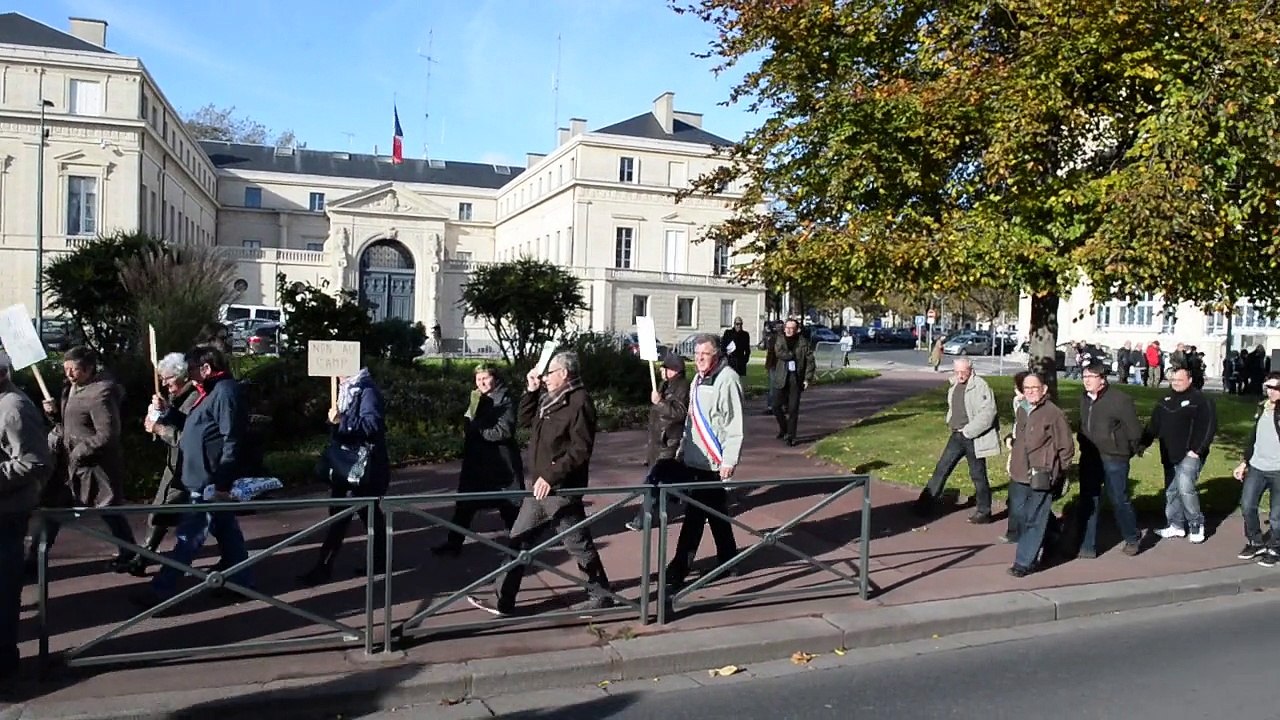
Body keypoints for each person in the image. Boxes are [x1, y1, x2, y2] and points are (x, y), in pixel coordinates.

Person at [467, 352, 613, 617]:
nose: (545, 378)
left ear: (564, 374)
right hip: (541, 486)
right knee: (518, 540)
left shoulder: (579, 401)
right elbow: (525, 421)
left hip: (561, 487)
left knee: (577, 544)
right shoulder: (550, 398)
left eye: (549, 373)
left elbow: (580, 450)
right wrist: (531, 391)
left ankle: (600, 595)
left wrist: (553, 475)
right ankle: (504, 601)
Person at [133, 346, 252, 606]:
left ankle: (161, 591)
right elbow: (194, 426)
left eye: (193, 370)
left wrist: (222, 481)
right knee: (228, 533)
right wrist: (169, 412)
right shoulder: (210, 392)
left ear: (206, 369)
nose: (190, 376)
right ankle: (242, 581)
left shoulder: (224, 392)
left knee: (188, 539)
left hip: (209, 481)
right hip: (202, 477)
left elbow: (231, 438)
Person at [29, 346, 136, 573]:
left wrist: (80, 451)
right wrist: (53, 414)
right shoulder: (70, 389)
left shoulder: (101, 394)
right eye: (66, 369)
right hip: (66, 465)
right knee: (52, 508)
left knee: (108, 510)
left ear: (88, 369)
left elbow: (107, 434)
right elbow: (68, 425)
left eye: (73, 369)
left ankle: (130, 554)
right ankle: (35, 559)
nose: (68, 374)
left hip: (93, 467)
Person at [665, 335, 744, 592]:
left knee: (695, 516)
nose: (699, 358)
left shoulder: (727, 378)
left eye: (705, 353)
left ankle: (679, 568)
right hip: (694, 459)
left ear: (717, 355)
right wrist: (683, 449)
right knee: (716, 512)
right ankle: (729, 559)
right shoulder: (699, 378)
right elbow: (692, 419)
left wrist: (729, 460)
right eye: (697, 353)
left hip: (713, 460)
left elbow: (734, 424)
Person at [298, 366, 390, 585]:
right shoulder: (347, 389)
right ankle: (378, 561)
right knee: (368, 515)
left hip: (360, 467)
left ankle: (324, 567)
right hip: (349, 466)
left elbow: (372, 424)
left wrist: (342, 421)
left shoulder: (366, 390)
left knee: (342, 516)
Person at [0, 351, 53, 680]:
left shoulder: (14, 409)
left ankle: (5, 668)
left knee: (3, 594)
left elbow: (35, 462)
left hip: (6, 515)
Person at [432, 364, 522, 556]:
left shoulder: (504, 399)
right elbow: (469, 421)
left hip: (499, 464)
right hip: (476, 461)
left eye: (485, 378)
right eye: (478, 379)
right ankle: (454, 543)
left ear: (495, 378)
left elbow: (504, 431)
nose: (481, 382)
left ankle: (520, 546)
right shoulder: (477, 397)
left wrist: (478, 430)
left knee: (508, 506)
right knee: (465, 504)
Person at [127, 352, 202, 577]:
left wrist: (160, 428)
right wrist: (165, 411)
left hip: (186, 467)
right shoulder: (182, 396)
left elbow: (186, 436)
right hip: (177, 466)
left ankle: (152, 564)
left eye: (167, 379)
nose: (163, 383)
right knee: (163, 511)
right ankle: (144, 556)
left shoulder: (193, 398)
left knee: (168, 513)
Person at [914, 358, 1000, 523]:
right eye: (957, 372)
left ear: (971, 370)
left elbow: (988, 413)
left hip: (973, 437)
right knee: (942, 469)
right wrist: (951, 421)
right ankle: (924, 505)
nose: (960, 375)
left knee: (978, 474)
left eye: (963, 372)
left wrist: (969, 431)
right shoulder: (953, 385)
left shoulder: (981, 386)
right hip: (956, 435)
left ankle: (984, 512)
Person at [1007, 373, 1075, 577]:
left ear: (1044, 389)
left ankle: (1023, 562)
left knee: (1034, 518)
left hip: (1042, 473)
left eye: (1034, 388)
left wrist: (1058, 470)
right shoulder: (1021, 410)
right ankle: (1053, 535)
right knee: (1019, 512)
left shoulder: (1053, 414)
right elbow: (1019, 437)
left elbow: (1066, 447)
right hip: (1019, 471)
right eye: (1026, 389)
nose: (1030, 392)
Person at [1141, 367, 1216, 544]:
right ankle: (1176, 525)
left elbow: (1208, 427)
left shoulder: (1201, 400)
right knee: (1171, 490)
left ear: (1189, 380)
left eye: (1179, 380)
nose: (1175, 383)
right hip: (1169, 452)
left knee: (1185, 487)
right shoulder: (1165, 401)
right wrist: (1143, 443)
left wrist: (1197, 450)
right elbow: (1154, 425)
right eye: (1173, 380)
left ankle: (1196, 524)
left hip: (1191, 453)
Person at [1075, 362, 1143, 558]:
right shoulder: (1084, 398)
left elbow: (1135, 431)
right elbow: (1082, 424)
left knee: (1118, 499)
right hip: (1090, 457)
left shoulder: (1120, 400)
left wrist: (1125, 451)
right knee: (1089, 500)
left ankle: (1131, 537)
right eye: (1084, 376)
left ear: (1102, 379)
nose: (1086, 380)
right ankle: (1088, 545)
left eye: (1091, 377)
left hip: (1115, 458)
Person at [627, 352, 690, 531]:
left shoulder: (682, 387)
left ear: (674, 370)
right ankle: (697, 504)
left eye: (666, 367)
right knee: (674, 479)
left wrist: (660, 402)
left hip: (669, 440)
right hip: (659, 440)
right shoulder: (666, 385)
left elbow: (679, 413)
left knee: (653, 482)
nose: (662, 370)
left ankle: (641, 520)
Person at [1232, 373, 1280, 567]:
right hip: (1258, 467)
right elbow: (1253, 438)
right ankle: (1256, 541)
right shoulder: (1262, 408)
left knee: (1276, 514)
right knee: (1247, 505)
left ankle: (1276, 547)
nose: (1271, 392)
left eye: (1275, 388)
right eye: (1268, 388)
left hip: (1278, 470)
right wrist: (1244, 462)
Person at [769, 319, 816, 446]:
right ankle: (784, 428)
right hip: (781, 377)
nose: (789, 330)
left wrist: (807, 379)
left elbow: (810, 361)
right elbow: (779, 353)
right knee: (776, 406)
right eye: (787, 328)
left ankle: (791, 436)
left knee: (793, 409)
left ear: (797, 330)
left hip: (796, 379)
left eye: (792, 328)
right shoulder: (780, 339)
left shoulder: (803, 343)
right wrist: (791, 355)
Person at [998, 371, 1030, 545]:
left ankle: (1015, 531)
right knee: (1017, 495)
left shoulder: (1028, 405)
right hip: (1018, 451)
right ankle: (1014, 531)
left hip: (1027, 455)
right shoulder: (1018, 402)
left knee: (1020, 496)